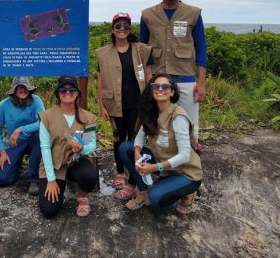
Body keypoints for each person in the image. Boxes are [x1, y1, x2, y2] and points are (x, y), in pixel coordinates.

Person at [140, 0, 207, 145]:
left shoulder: (193, 13)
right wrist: (147, 79)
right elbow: (142, 50)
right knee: (157, 122)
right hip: (157, 79)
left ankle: (191, 161)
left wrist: (201, 83)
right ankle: (159, 162)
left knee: (189, 122)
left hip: (185, 78)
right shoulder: (148, 15)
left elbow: (201, 49)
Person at [118, 74, 202, 214]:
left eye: (165, 86)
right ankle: (143, 192)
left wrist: (154, 167)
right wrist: (137, 153)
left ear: (172, 91)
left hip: (185, 172)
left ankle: (188, 193)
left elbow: (185, 155)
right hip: (164, 165)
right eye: (156, 86)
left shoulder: (178, 116)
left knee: (156, 198)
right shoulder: (152, 111)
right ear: (152, 90)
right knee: (126, 148)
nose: (160, 89)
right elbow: (139, 136)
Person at [95, 12, 152, 199]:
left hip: (137, 104)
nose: (122, 29)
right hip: (114, 104)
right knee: (118, 139)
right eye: (118, 26)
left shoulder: (141, 50)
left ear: (130, 30)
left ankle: (134, 179)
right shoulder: (103, 53)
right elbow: (100, 80)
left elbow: (149, 75)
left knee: (135, 141)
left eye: (125, 26)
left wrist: (150, 101)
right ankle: (120, 173)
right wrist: (101, 105)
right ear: (113, 29)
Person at [38, 75, 99, 218]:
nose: (67, 93)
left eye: (72, 89)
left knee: (90, 175)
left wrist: (82, 149)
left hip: (75, 163)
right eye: (63, 89)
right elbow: (45, 148)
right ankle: (56, 184)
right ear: (58, 93)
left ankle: (82, 196)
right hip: (53, 165)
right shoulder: (46, 117)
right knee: (49, 210)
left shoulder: (87, 118)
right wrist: (51, 180)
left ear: (77, 93)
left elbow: (92, 144)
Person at [0, 77, 45, 196]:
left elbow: (43, 122)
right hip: (14, 143)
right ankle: (16, 166)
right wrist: (2, 152)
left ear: (29, 89)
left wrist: (21, 129)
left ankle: (34, 179)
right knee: (3, 179)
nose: (23, 90)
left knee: (39, 136)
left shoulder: (36, 101)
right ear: (14, 91)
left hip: (33, 141)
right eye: (19, 88)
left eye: (25, 87)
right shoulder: (4, 105)